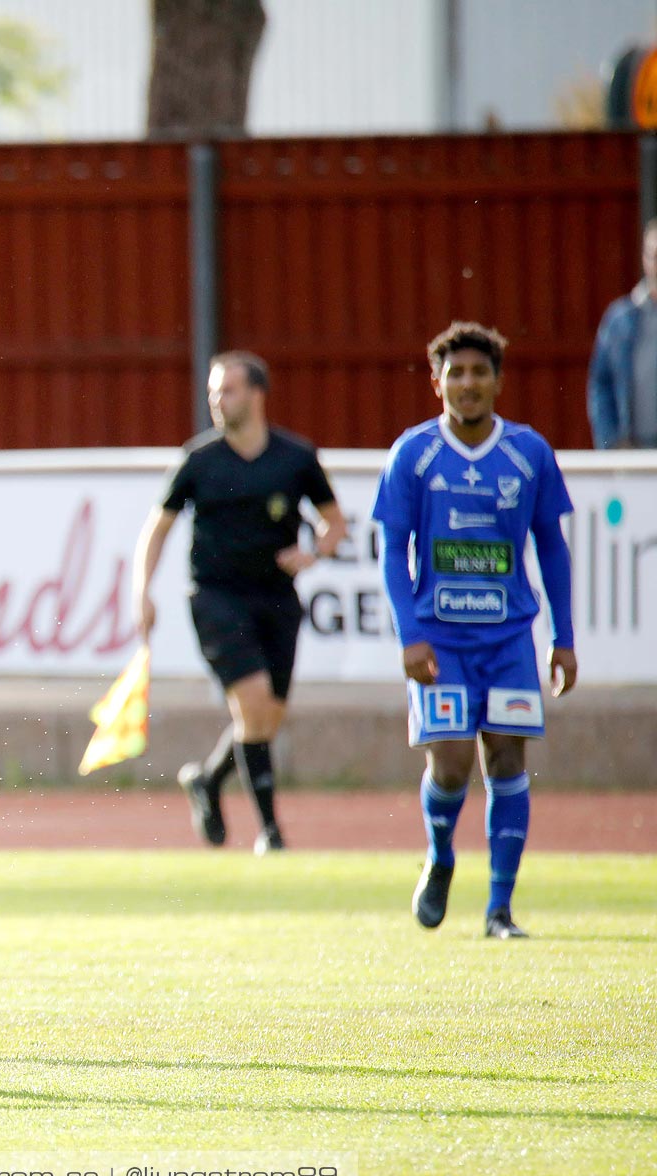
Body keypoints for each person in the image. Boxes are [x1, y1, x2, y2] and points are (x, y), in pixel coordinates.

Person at [374, 322, 576, 939]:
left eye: (479, 372)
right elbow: (392, 551)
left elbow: (552, 548)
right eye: (455, 373)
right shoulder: (414, 453)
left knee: (508, 755)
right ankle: (439, 855)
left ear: (497, 382)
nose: (468, 384)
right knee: (455, 762)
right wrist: (409, 634)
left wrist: (562, 637)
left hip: (510, 638)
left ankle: (499, 909)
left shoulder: (528, 453)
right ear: (436, 383)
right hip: (441, 639)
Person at [132, 351, 345, 855]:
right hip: (216, 598)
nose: (217, 400)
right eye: (213, 391)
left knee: (266, 718)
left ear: (256, 395)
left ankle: (206, 780)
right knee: (251, 706)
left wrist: (314, 552)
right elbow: (156, 529)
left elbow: (334, 522)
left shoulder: (295, 458)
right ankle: (271, 832)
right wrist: (141, 591)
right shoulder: (198, 460)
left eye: (227, 390)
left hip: (276, 598)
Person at [586, 217, 657, 449]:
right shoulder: (620, 319)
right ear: (644, 259)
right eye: (654, 256)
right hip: (635, 452)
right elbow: (600, 385)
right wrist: (611, 443)